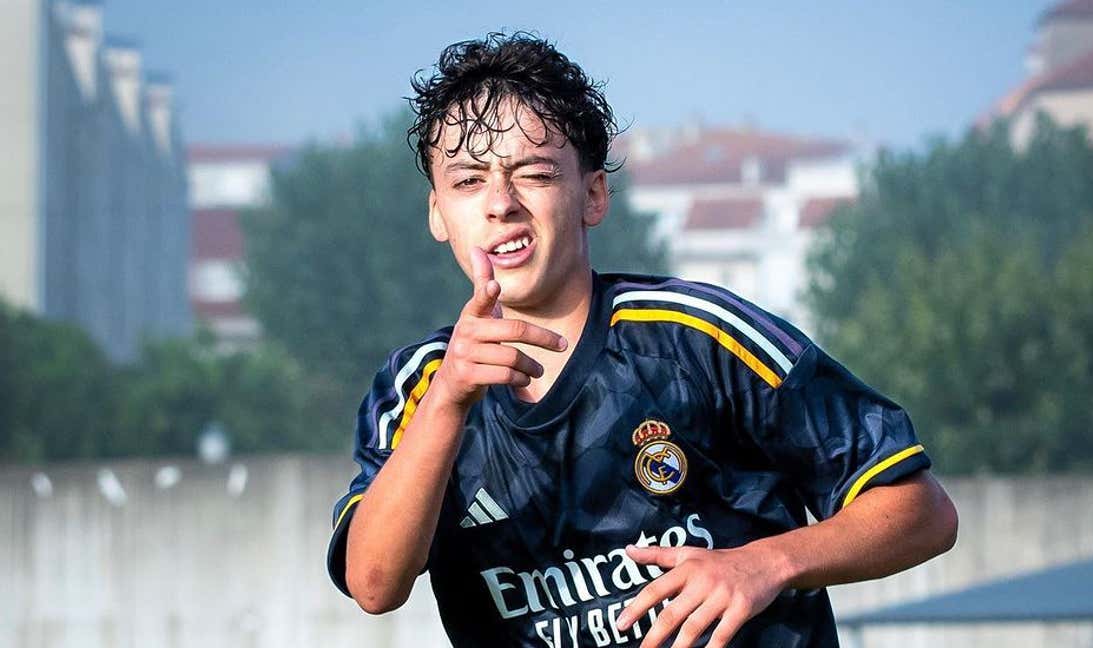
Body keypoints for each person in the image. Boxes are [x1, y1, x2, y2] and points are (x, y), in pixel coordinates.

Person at [326, 32, 958, 648]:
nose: (500, 205)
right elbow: (375, 585)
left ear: (592, 195)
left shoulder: (697, 337)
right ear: (438, 213)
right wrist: (448, 403)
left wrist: (765, 564)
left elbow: (923, 513)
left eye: (535, 174)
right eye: (468, 181)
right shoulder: (415, 387)